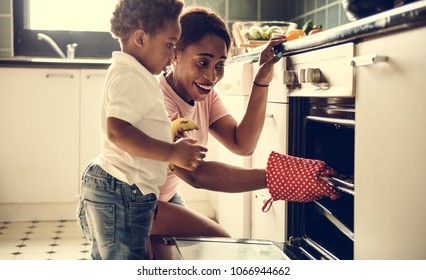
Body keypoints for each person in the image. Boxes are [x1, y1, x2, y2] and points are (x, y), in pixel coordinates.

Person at [76, 0, 207, 260]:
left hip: (120, 187)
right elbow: (118, 131)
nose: (172, 55)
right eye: (169, 45)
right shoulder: (130, 77)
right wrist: (171, 152)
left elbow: (135, 126)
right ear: (140, 38)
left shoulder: (134, 74)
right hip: (122, 189)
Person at [150, 6, 287, 238]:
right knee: (218, 240)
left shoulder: (204, 95)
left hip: (162, 196)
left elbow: (242, 143)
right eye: (203, 63)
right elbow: (196, 175)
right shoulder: (159, 103)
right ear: (175, 54)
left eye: (219, 65)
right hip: (128, 201)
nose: (212, 77)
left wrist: (262, 79)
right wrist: (279, 177)